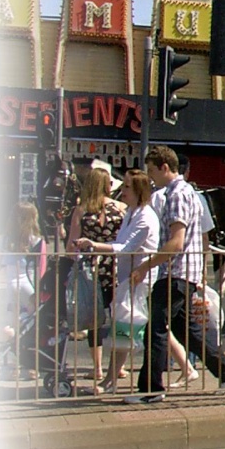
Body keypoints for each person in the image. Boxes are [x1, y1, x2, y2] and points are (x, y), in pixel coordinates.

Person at [127, 145, 225, 403]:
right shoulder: (188, 193)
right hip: (185, 272)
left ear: (165, 167)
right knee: (185, 330)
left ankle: (151, 389)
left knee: (156, 329)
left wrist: (145, 266)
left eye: (152, 171)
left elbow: (176, 242)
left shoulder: (176, 195)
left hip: (175, 272)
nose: (150, 177)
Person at [75, 169, 159, 395]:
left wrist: (95, 245)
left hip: (139, 280)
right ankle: (111, 380)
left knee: (125, 330)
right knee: (130, 329)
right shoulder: (131, 212)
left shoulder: (145, 217)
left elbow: (127, 248)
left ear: (139, 190)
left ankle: (111, 381)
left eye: (128, 187)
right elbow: (121, 243)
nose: (123, 190)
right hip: (128, 279)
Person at [67, 165, 126, 381]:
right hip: (116, 266)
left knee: (95, 320)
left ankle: (98, 367)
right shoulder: (121, 209)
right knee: (119, 316)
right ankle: (118, 366)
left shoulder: (81, 210)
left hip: (91, 269)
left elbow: (71, 245)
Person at [0, 201, 46, 322]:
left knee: (10, 320)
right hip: (29, 283)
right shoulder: (37, 241)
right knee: (33, 319)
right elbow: (42, 267)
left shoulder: (5, 240)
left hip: (10, 283)